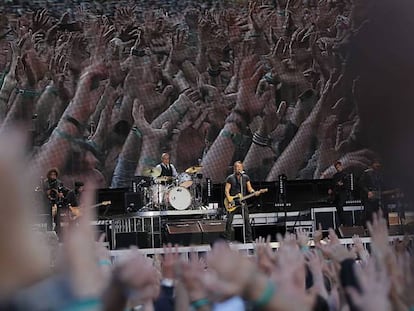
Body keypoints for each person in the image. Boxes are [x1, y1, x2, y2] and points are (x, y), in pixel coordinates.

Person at [224, 161, 258, 243]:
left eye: (239, 167)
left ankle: (248, 238)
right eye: (236, 167)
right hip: (233, 202)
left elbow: (249, 188)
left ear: (242, 168)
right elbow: (226, 190)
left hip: (242, 202)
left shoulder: (245, 177)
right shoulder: (230, 178)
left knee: (246, 220)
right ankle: (227, 239)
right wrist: (229, 199)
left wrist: (254, 192)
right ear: (234, 168)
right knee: (229, 221)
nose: (237, 169)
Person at [360, 159, 386, 225]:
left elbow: (381, 183)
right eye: (376, 163)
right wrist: (368, 192)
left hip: (377, 193)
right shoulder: (367, 172)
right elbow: (361, 183)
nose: (377, 165)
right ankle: (368, 226)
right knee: (369, 211)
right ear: (372, 164)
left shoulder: (379, 173)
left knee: (378, 210)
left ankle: (378, 225)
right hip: (370, 193)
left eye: (378, 163)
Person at [328, 161, 349, 229]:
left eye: (339, 167)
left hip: (343, 194)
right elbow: (332, 185)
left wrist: (342, 185)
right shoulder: (335, 176)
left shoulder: (346, 175)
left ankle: (345, 223)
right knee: (338, 207)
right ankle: (341, 223)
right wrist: (330, 189)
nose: (338, 168)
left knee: (340, 205)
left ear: (341, 166)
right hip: (336, 195)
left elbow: (348, 185)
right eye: (336, 167)